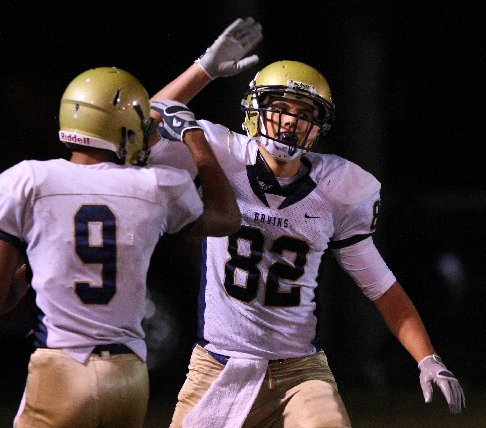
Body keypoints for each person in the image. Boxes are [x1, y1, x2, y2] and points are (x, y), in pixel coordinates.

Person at [149, 17, 466, 428]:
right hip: (216, 366)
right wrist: (204, 69)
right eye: (279, 108)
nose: (289, 121)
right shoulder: (222, 154)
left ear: (319, 126)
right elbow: (145, 125)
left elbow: (382, 288)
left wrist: (428, 358)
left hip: (299, 373)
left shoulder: (338, 189)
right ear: (256, 112)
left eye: (303, 113)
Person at [0, 66, 240, 428]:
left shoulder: (28, 180)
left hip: (64, 366)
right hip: (129, 375)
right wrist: (195, 139)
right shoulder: (156, 186)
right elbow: (225, 218)